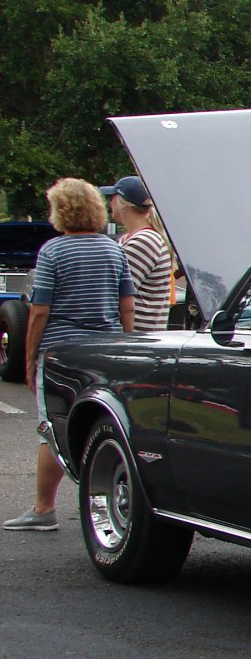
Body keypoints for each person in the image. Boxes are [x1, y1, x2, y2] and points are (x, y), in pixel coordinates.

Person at [5, 178, 134, 532]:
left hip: (62, 350)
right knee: (100, 423)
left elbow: (40, 311)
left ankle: (43, 509)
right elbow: (126, 305)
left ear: (61, 211)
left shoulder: (53, 251)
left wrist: (30, 359)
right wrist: (127, 343)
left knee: (52, 427)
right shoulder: (113, 249)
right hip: (106, 349)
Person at [102, 174, 172, 331]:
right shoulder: (132, 238)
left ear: (123, 204)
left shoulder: (143, 241)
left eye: (112, 197)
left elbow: (115, 292)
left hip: (137, 340)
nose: (109, 202)